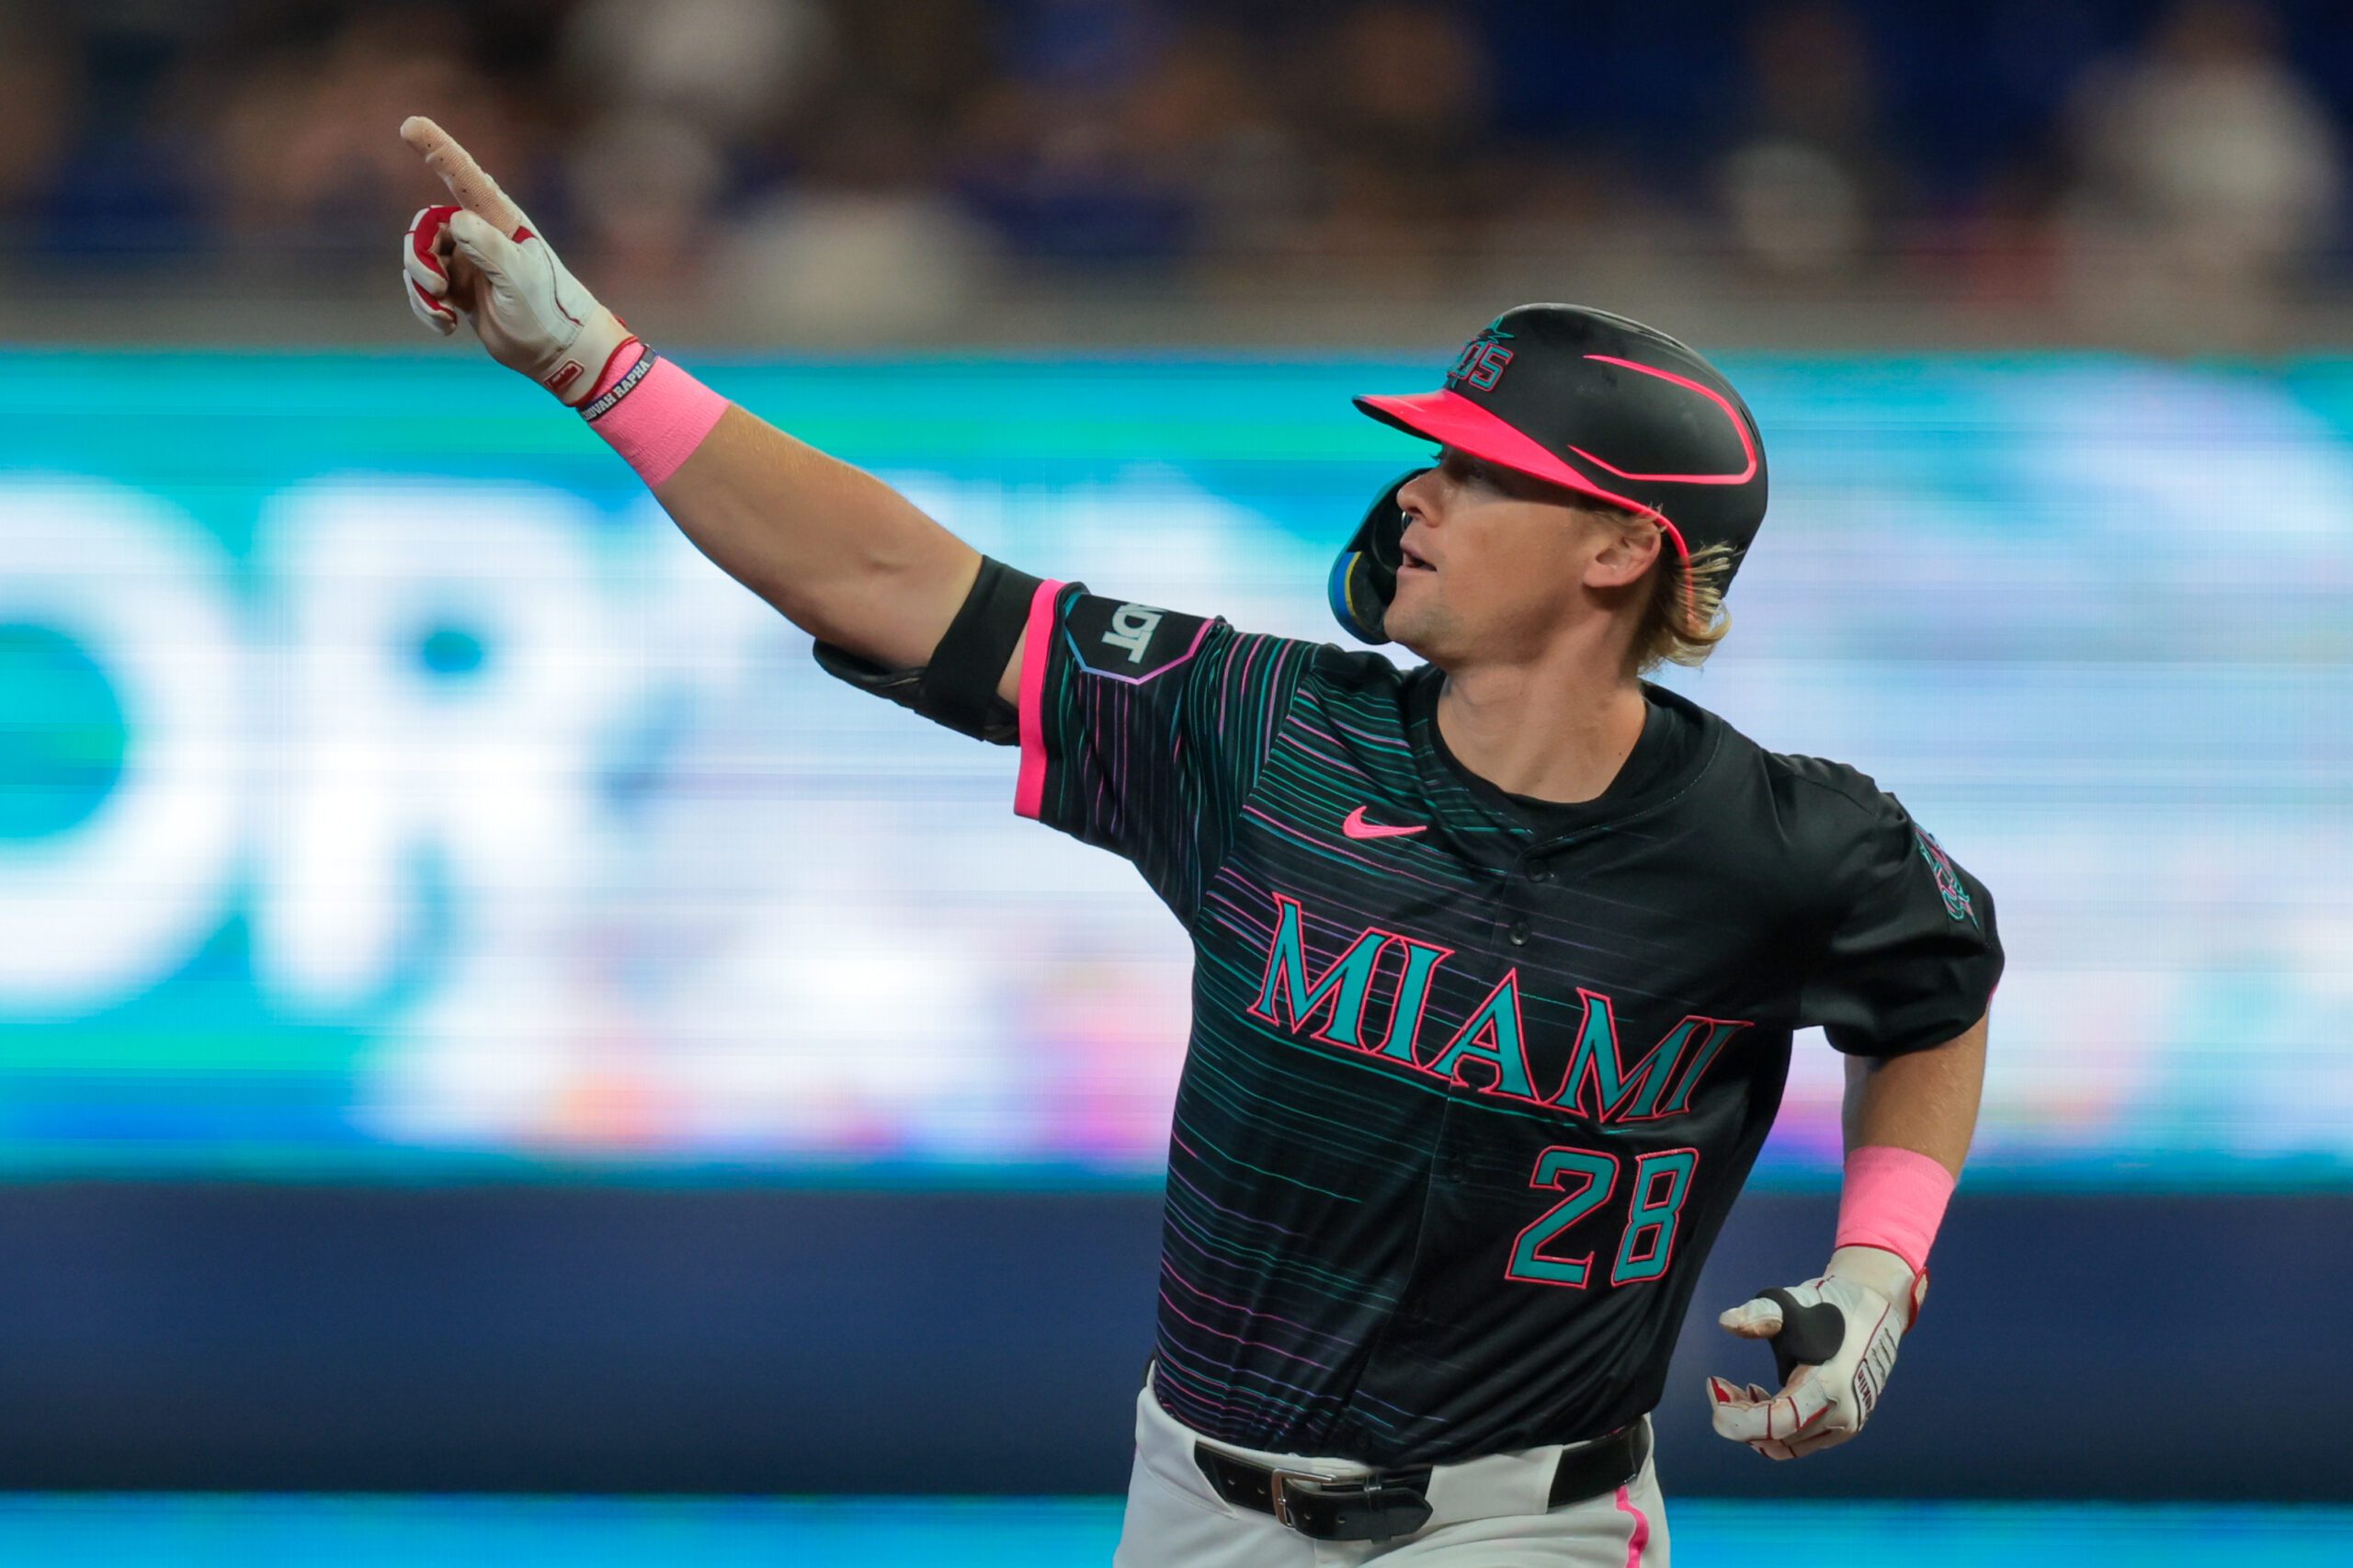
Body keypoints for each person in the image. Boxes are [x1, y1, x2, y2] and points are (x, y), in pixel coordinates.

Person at [397, 116, 2001, 1566]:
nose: (1419, 495)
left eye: (1477, 469)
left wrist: (1881, 1266)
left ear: (1615, 547)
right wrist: (598, 364)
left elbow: (1936, 985)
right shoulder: (1257, 730)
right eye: (1430, 457)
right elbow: (899, 581)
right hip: (1195, 1504)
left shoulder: (1785, 842)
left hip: (1535, 1518)